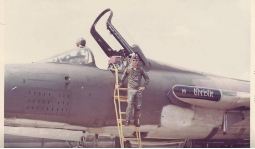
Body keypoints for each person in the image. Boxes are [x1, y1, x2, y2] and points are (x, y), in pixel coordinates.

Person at [117, 53, 149, 127]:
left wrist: (144, 87)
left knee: (138, 107)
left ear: (138, 61)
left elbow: (147, 78)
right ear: (131, 60)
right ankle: (127, 121)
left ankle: (136, 122)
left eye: (136, 60)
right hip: (131, 90)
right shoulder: (128, 69)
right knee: (129, 106)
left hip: (138, 90)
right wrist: (120, 84)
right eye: (133, 60)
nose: (135, 61)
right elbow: (123, 77)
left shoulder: (140, 70)